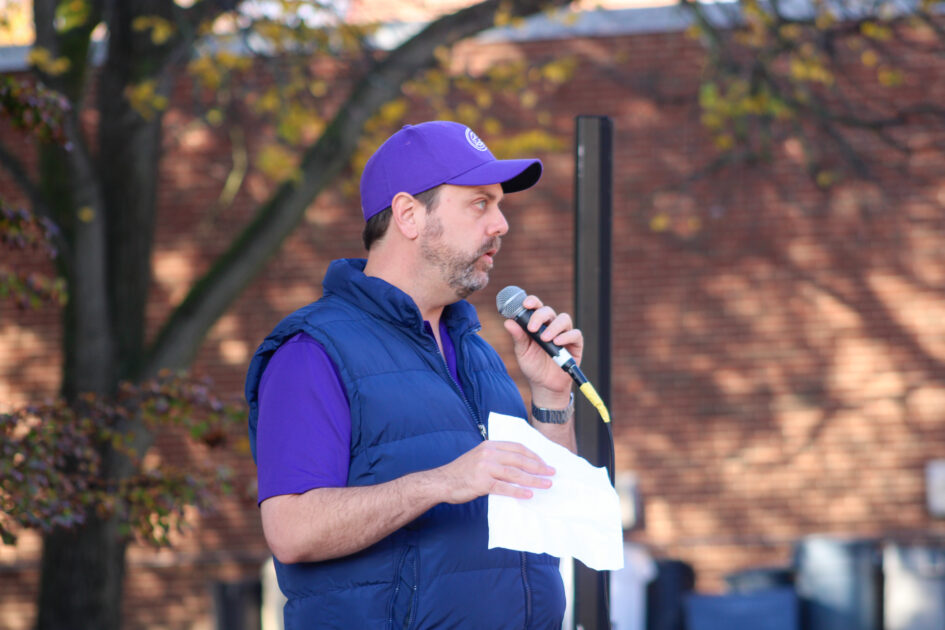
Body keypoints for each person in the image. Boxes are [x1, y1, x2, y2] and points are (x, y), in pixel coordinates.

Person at [245, 120, 583, 629]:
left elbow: (548, 506)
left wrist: (552, 401)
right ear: (408, 215)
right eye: (479, 203)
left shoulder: (476, 350)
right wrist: (440, 483)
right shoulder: (312, 351)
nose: (500, 224)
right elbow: (292, 531)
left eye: (499, 205)